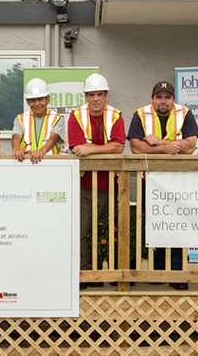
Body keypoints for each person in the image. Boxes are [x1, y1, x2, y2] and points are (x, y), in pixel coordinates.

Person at [128, 81, 198, 290]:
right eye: (159, 97)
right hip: (147, 180)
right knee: (149, 225)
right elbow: (135, 147)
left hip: (177, 181)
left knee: (177, 223)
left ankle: (176, 273)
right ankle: (157, 271)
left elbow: (190, 146)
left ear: (173, 99)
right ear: (152, 99)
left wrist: (158, 142)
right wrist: (170, 146)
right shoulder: (140, 114)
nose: (163, 101)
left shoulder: (185, 113)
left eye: (167, 97)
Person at [68, 74, 127, 289]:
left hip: (112, 184)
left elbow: (119, 147)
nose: (95, 99)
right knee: (82, 231)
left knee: (113, 231)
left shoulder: (116, 116)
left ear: (106, 95)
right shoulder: (76, 116)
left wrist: (90, 147)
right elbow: (76, 148)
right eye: (91, 95)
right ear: (85, 96)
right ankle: (84, 273)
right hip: (85, 185)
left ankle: (112, 273)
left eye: (99, 94)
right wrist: (103, 148)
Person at [12, 78, 65, 164]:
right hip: (25, 164)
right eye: (33, 100)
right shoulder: (20, 119)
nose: (37, 104)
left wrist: (42, 151)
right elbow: (16, 136)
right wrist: (16, 149)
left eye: (40, 99)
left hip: (51, 165)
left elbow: (54, 137)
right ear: (27, 102)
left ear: (47, 99)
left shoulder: (58, 118)